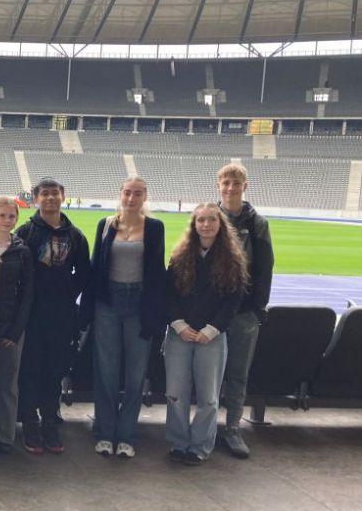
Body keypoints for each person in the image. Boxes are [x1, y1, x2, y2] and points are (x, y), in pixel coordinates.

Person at [83, 176, 166, 458]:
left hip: (139, 304)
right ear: (120, 194)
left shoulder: (155, 228)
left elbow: (156, 272)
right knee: (106, 370)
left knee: (135, 373)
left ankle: (127, 434)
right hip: (108, 303)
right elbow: (96, 267)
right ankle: (105, 432)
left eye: (138, 194)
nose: (131, 198)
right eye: (127, 193)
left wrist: (155, 314)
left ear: (145, 197)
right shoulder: (105, 225)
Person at [164, 204, 247, 465]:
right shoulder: (180, 257)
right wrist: (178, 324)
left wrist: (212, 329)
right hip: (180, 335)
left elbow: (234, 300)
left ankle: (199, 446)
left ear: (220, 224)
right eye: (201, 220)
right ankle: (179, 443)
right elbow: (168, 295)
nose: (206, 225)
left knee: (209, 397)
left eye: (211, 219)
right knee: (176, 393)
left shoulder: (232, 259)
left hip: (212, 338)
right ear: (194, 224)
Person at [16, 177, 90, 454]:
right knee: (30, 369)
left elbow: (84, 275)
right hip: (32, 316)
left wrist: (66, 295)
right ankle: (30, 422)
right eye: (44, 194)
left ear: (63, 196)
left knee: (54, 369)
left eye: (54, 193)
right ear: (35, 199)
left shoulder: (76, 237)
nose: (50, 198)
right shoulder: (25, 232)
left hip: (61, 316)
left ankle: (50, 420)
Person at [217, 163, 274, 459]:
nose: (230, 188)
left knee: (238, 373)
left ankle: (232, 429)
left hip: (243, 313)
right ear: (218, 186)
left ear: (244, 186)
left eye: (235, 183)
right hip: (211, 314)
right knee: (209, 376)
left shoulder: (257, 224)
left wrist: (256, 308)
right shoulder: (207, 217)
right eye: (225, 183)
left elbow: (265, 268)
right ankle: (207, 426)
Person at [0, 196, 34, 455]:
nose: (7, 221)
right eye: (2, 216)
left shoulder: (22, 251)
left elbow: (27, 294)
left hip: (12, 329)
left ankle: (6, 434)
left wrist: (16, 331)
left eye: (11, 216)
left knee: (8, 383)